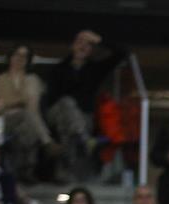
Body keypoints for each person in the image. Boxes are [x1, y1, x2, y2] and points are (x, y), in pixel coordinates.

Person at [43, 30, 128, 181]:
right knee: (67, 102)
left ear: (92, 49)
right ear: (72, 46)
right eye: (79, 42)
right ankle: (85, 140)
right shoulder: (59, 68)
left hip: (82, 118)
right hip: (57, 113)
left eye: (88, 44)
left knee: (69, 130)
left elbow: (123, 53)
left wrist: (99, 39)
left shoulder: (95, 69)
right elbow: (51, 97)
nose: (82, 46)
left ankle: (64, 171)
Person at [0, 45, 54, 182]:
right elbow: (4, 104)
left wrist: (19, 103)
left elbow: (33, 107)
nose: (20, 58)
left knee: (26, 126)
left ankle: (24, 170)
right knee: (26, 116)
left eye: (24, 56)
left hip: (27, 120)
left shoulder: (32, 79)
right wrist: (19, 103)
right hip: (5, 120)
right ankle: (44, 146)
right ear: (10, 57)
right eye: (17, 54)